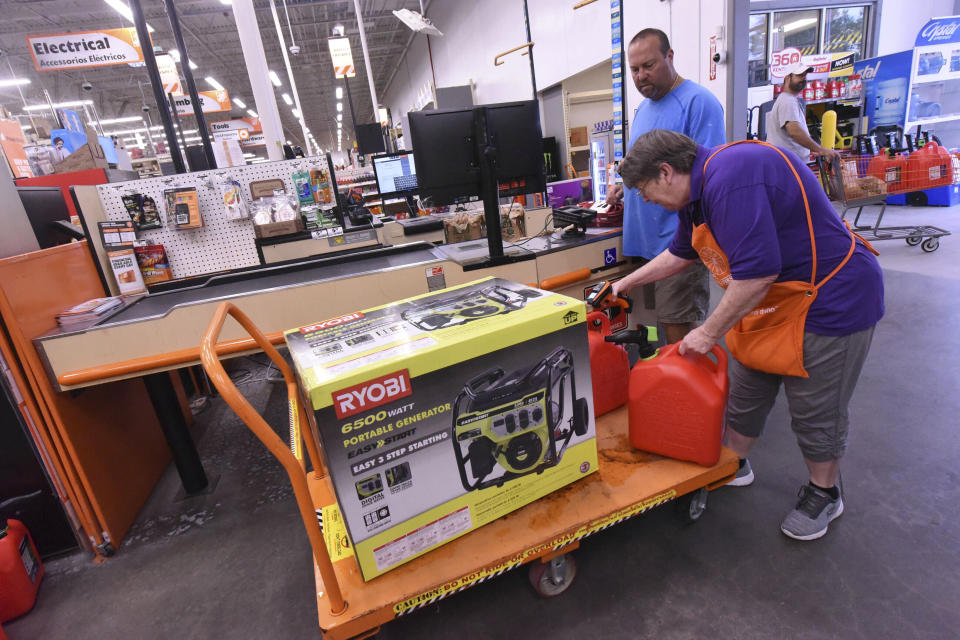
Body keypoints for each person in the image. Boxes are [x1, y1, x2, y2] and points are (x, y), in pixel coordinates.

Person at [612, 130, 884, 541]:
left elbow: (757, 274)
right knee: (746, 391)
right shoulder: (697, 195)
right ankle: (732, 463)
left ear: (666, 172)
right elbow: (683, 252)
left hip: (831, 298)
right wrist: (625, 283)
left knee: (815, 410)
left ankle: (825, 492)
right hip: (776, 299)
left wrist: (706, 332)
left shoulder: (732, 178)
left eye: (645, 191)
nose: (646, 201)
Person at [605, 28, 725, 344]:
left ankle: (685, 393)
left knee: (679, 333)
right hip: (641, 244)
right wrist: (625, 187)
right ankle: (660, 390)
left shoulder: (699, 102)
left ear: (669, 57)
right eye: (634, 69)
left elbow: (708, 177)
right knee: (648, 329)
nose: (641, 75)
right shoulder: (644, 109)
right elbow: (646, 169)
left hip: (677, 244)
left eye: (649, 65)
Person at [765, 62, 839, 163]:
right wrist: (821, 149)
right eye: (799, 75)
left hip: (788, 163)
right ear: (787, 78)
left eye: (805, 75)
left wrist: (807, 150)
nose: (803, 78)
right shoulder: (788, 101)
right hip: (788, 165)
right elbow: (794, 131)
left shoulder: (789, 99)